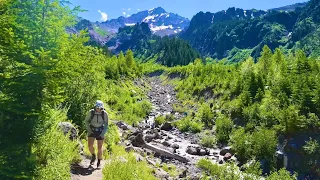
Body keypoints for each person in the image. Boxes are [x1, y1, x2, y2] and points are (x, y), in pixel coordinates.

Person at [85, 100, 108, 168]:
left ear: (102, 108)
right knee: (90, 146)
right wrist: (89, 130)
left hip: (100, 130)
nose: (98, 109)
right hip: (92, 130)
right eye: (97, 108)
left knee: (100, 147)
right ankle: (93, 155)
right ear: (95, 107)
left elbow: (106, 124)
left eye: (100, 108)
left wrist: (103, 133)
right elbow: (86, 121)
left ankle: (99, 161)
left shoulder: (104, 114)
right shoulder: (91, 112)